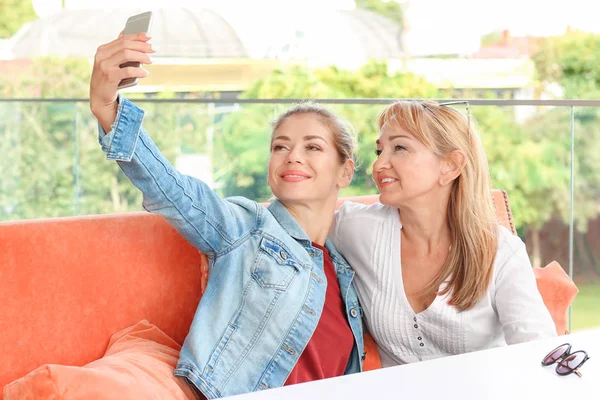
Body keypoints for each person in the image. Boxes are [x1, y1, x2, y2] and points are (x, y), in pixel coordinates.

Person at [90, 32, 364, 399]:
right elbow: (174, 190)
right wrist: (109, 109)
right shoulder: (247, 227)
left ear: (345, 172)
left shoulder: (345, 271)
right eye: (280, 146)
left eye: (312, 146)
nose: (292, 156)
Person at [331, 100, 557, 367]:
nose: (379, 164)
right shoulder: (355, 228)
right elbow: (290, 228)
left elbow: (538, 352)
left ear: (450, 165)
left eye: (400, 148)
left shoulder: (500, 252)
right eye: (380, 150)